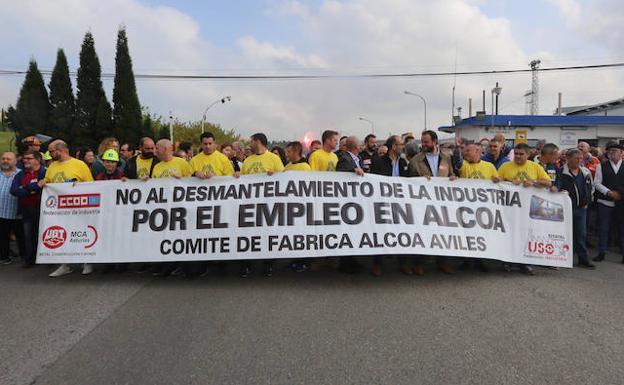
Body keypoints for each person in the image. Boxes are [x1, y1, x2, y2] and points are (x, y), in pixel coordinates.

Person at [39, 140, 94, 277]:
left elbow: (91, 185)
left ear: (60, 150)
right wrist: (44, 182)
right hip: (58, 210)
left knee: (81, 234)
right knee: (62, 234)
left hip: (79, 208)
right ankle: (64, 264)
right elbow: (48, 182)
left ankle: (87, 262)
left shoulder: (80, 165)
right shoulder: (52, 167)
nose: (49, 154)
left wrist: (78, 186)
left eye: (51, 151)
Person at [498, 143, 552, 275]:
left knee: (526, 235)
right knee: (509, 234)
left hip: (529, 209)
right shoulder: (505, 166)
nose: (518, 156)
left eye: (521, 154)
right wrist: (506, 182)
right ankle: (508, 261)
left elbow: (548, 182)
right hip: (510, 208)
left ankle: (525, 263)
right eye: (516, 153)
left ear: (528, 155)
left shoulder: (535, 167)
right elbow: (498, 180)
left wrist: (533, 182)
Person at [408, 130, 455, 275]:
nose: (423, 144)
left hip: (442, 202)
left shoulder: (446, 158)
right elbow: (409, 181)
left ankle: (442, 262)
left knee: (443, 233)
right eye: (422, 141)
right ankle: (418, 263)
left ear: (435, 142)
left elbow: (451, 173)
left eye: (426, 142)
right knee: (423, 233)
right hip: (423, 203)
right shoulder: (416, 160)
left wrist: (453, 177)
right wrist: (420, 180)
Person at [239, 133, 285, 278]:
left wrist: (275, 176)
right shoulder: (248, 160)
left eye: (251, 141)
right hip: (250, 205)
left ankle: (268, 264)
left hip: (268, 206)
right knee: (248, 235)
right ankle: (247, 264)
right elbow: (241, 180)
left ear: (258, 141)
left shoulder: (273, 158)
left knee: (267, 235)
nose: (249, 144)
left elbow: (284, 178)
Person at [150, 139, 193, 277]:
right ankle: (168, 265)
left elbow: (193, 183)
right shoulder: (157, 166)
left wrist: (183, 179)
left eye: (157, 148)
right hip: (163, 209)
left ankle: (185, 266)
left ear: (166, 149)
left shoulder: (182, 163)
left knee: (182, 237)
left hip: (181, 208)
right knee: (166, 237)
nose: (155, 151)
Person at [457, 143, 500, 272]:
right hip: (466, 206)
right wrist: (458, 148)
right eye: (464, 151)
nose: (465, 153)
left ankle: (480, 259)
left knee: (481, 234)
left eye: (468, 151)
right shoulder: (463, 165)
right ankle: (467, 259)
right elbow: (456, 162)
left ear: (477, 151)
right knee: (467, 234)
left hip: (483, 208)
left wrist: (498, 180)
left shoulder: (489, 166)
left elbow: (497, 182)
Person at [370, 135, 409, 276]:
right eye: (400, 144)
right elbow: (373, 182)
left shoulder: (403, 162)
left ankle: (403, 262)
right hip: (383, 203)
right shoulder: (379, 162)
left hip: (400, 203)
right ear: (393, 147)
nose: (402, 147)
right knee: (382, 232)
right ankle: (377, 263)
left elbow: (409, 181)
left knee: (402, 232)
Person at [556, 149, 595, 269]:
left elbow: (591, 188)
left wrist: (588, 201)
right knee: (563, 234)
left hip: (581, 208)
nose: (579, 160)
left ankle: (583, 259)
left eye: (580, 158)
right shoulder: (561, 171)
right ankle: (563, 258)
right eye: (576, 158)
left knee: (581, 234)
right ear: (568, 158)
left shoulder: (585, 172)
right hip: (565, 209)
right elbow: (555, 187)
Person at [10, 150, 45, 267]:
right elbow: (14, 190)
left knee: (44, 234)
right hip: (27, 209)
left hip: (43, 209)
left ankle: (47, 259)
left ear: (38, 160)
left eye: (29, 158)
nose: (25, 161)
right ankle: (30, 260)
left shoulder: (45, 172)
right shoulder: (20, 174)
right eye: (24, 158)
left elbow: (46, 187)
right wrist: (33, 188)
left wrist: (24, 188)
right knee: (28, 235)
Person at [335, 136, 365, 274]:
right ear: (356, 147)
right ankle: (345, 263)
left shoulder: (357, 159)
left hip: (356, 200)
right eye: (360, 145)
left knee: (353, 232)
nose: (362, 146)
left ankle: (352, 260)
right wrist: (353, 170)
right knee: (347, 231)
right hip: (346, 201)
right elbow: (341, 171)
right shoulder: (345, 158)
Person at [593, 141, 624, 263]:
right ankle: (601, 252)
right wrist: (609, 192)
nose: (611, 153)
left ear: (622, 153)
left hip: (622, 202)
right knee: (603, 228)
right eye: (610, 151)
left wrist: (620, 194)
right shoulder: (602, 165)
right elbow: (597, 183)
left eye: (614, 151)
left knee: (622, 229)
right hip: (605, 202)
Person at [0, 152, 25, 265]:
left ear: (16, 161)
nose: (5, 161)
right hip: (1, 212)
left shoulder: (22, 174)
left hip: (17, 213)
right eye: (3, 158)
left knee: (22, 237)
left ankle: (25, 258)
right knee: (2, 237)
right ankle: (4, 257)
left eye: (8, 159)